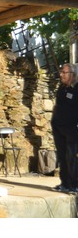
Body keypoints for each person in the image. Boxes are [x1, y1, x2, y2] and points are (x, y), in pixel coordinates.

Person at [51, 63, 78, 193]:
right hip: (58, 127)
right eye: (61, 72)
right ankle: (65, 183)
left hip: (72, 128)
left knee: (71, 156)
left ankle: (74, 185)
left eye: (64, 72)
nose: (61, 74)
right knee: (62, 156)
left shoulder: (77, 88)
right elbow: (57, 106)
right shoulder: (61, 88)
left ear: (72, 75)